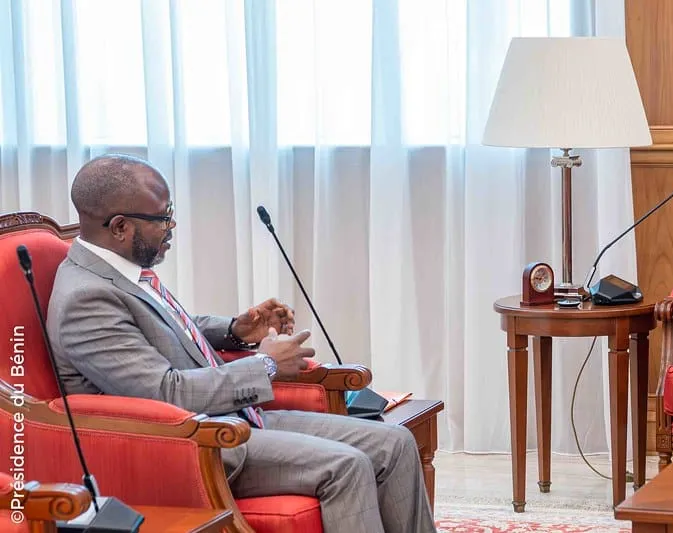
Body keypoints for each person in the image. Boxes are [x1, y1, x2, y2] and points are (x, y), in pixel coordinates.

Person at [47, 154, 436, 533]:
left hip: (233, 419)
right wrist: (266, 365)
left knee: (395, 443)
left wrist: (236, 329)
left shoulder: (118, 268)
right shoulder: (85, 298)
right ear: (119, 227)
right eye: (163, 217)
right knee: (347, 464)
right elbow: (164, 392)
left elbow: (162, 329)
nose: (173, 225)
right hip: (196, 445)